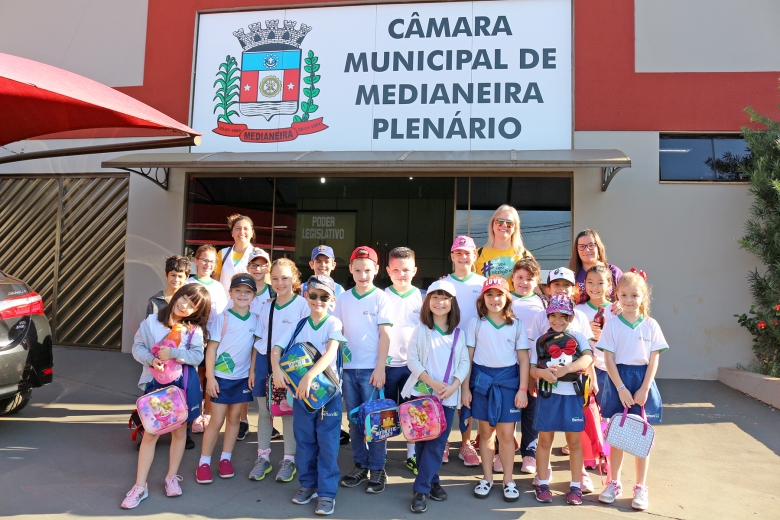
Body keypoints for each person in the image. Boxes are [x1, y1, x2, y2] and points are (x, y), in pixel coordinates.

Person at [122, 284, 210, 509]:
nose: (184, 306)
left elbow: (197, 356)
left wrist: (174, 354)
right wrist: (152, 360)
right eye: (184, 299)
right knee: (150, 433)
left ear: (196, 312)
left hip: (180, 386)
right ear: (177, 294)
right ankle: (140, 486)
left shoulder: (194, 330)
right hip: (156, 385)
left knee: (180, 433)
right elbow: (138, 347)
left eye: (192, 306)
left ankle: (172, 477)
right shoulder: (151, 322)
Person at [274, 275, 347, 516]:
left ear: (332, 299)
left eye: (324, 296)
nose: (318, 300)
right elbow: (277, 349)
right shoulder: (298, 324)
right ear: (306, 295)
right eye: (313, 295)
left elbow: (330, 353)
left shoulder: (333, 323)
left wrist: (309, 376)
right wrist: (276, 370)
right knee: (304, 441)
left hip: (328, 395)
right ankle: (307, 485)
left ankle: (326, 493)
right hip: (301, 396)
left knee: (327, 444)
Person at [597, 270, 666, 512]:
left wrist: (644, 387)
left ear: (644, 296)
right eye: (623, 295)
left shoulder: (650, 325)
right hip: (619, 382)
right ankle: (613, 482)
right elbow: (609, 359)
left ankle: (640, 487)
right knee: (617, 435)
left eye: (634, 295)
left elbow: (654, 358)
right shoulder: (613, 324)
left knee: (641, 437)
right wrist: (621, 388)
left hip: (642, 381)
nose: (628, 300)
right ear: (616, 295)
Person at [401, 279, 469, 513]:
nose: (440, 302)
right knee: (422, 443)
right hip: (421, 396)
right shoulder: (420, 330)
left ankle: (420, 489)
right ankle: (432, 481)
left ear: (453, 303)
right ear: (427, 301)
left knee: (437, 443)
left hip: (448, 398)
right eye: (435, 297)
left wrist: (454, 387)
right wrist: (431, 382)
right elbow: (412, 360)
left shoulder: (459, 334)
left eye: (445, 298)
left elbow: (463, 363)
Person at [527, 266, 595, 490]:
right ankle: (543, 480)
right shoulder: (541, 337)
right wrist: (538, 375)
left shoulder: (579, 328)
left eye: (563, 316)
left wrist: (568, 371)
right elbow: (532, 364)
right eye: (553, 316)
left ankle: (577, 482)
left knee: (574, 440)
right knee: (544, 439)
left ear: (571, 317)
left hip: (573, 394)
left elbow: (588, 357)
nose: (557, 320)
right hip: (548, 393)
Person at [462, 277, 529, 503]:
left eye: (499, 294)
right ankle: (487, 477)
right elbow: (468, 359)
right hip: (482, 383)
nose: (494, 299)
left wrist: (522, 389)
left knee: (507, 435)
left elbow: (523, 359)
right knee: (486, 432)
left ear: (507, 297)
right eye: (489, 294)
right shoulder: (476, 324)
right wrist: (465, 389)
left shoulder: (517, 324)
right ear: (483, 298)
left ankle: (509, 480)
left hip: (508, 384)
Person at [335, 246, 392, 493]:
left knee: (375, 421)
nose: (363, 275)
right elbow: (337, 333)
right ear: (350, 269)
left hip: (371, 370)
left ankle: (378, 469)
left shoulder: (381, 297)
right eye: (357, 270)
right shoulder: (343, 298)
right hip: (348, 369)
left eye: (368, 270)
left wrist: (381, 368)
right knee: (355, 420)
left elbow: (385, 335)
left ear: (376, 270)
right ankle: (360, 465)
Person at [250, 258, 309, 482]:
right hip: (266, 362)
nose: (279, 282)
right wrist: (253, 368)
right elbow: (259, 339)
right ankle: (263, 457)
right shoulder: (267, 306)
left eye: (284, 278)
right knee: (265, 412)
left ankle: (289, 460)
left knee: (288, 412)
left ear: (294, 278)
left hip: (292, 365)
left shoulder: (302, 305)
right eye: (274, 278)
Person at [196, 274, 258, 484]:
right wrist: (211, 378)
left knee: (234, 420)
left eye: (247, 291)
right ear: (230, 293)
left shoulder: (255, 320)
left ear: (254, 295)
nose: (242, 295)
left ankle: (225, 459)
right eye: (238, 291)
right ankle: (204, 462)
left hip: (242, 380)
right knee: (216, 421)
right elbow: (211, 349)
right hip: (221, 379)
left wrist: (251, 372)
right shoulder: (223, 318)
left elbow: (254, 350)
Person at [443, 236, 485, 468]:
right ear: (452, 256)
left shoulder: (482, 283)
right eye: (458, 253)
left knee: (467, 398)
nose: (462, 257)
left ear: (474, 256)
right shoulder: (444, 284)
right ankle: (444, 440)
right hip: (447, 347)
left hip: (475, 347)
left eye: (467, 253)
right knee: (448, 395)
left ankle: (466, 443)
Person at [383, 247, 425, 473]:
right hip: (388, 366)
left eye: (406, 270)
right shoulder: (381, 296)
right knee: (387, 411)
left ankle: (412, 455)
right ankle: (382, 454)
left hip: (413, 367)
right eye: (396, 269)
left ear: (415, 270)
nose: (401, 274)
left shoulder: (423, 297)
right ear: (388, 270)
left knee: (412, 411)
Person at [231, 246, 274, 440]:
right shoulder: (243, 288)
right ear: (248, 267)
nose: (258, 269)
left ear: (269, 268)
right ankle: (243, 420)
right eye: (254, 265)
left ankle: (269, 422)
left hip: (267, 344)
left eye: (262, 265)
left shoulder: (273, 289)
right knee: (244, 380)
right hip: (244, 340)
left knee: (268, 386)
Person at [510, 257, 546, 476]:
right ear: (512, 278)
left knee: (531, 410)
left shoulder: (542, 304)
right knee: (508, 409)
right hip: (507, 364)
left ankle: (529, 452)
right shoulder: (503, 299)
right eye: (520, 277)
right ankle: (500, 450)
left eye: (529, 279)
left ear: (537, 281)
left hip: (532, 365)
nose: (524, 282)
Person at [187, 244, 228, 435]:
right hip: (191, 339)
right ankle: (195, 414)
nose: (207, 264)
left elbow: (222, 315)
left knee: (211, 375)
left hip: (213, 340)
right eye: (204, 260)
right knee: (196, 377)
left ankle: (208, 415)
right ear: (196, 261)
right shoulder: (187, 283)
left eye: (212, 261)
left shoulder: (218, 287)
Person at [474, 205, 533, 290]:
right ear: (493, 224)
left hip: (514, 303)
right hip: (485, 303)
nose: (504, 225)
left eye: (509, 223)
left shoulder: (524, 255)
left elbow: (532, 287)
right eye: (499, 221)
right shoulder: (477, 254)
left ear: (515, 227)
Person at [569, 229, 622, 304]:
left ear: (598, 247)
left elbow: (626, 296)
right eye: (581, 246)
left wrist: (620, 306)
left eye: (591, 245)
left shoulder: (613, 271)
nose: (586, 250)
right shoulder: (572, 275)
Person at [215, 214, 256, 295]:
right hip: (224, 305)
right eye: (238, 228)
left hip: (250, 305)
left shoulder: (260, 255)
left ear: (252, 233)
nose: (242, 232)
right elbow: (215, 283)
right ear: (232, 233)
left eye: (246, 229)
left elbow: (266, 285)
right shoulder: (222, 254)